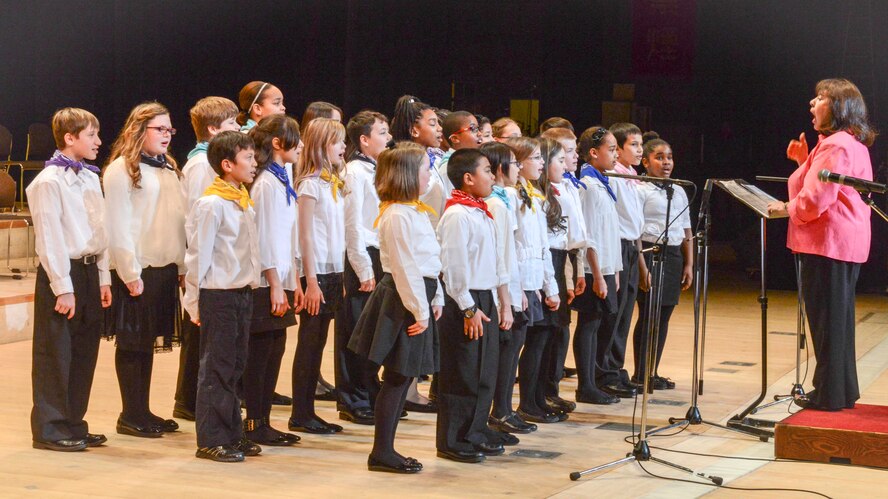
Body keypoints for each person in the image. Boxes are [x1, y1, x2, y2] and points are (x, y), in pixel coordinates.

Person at [767, 78, 875, 411]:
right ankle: (840, 390)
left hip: (827, 242)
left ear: (839, 107)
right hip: (840, 242)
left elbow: (815, 199)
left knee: (827, 322)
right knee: (836, 321)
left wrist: (786, 208)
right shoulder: (845, 142)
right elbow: (823, 186)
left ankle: (828, 393)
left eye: (821, 98)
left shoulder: (835, 145)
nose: (812, 104)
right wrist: (805, 162)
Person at [348, 142, 442, 473]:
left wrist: (436, 297)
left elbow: (429, 260)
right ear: (407, 175)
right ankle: (382, 451)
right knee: (398, 376)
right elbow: (404, 267)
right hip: (404, 299)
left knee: (405, 374)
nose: (429, 175)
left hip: (418, 295)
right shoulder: (397, 215)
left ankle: (387, 449)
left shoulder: (413, 210)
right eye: (425, 170)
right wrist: (420, 309)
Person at [29, 108, 113, 452]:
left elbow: (100, 231)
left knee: (83, 351)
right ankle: (50, 428)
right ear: (69, 137)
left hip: (89, 270)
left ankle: (74, 421)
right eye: (91, 135)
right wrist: (63, 287)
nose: (98, 141)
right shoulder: (48, 182)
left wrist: (104, 277)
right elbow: (49, 239)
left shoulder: (90, 177)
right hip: (63, 273)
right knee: (56, 352)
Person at [104, 102, 185, 438]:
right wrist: (129, 272)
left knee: (147, 342)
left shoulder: (167, 167)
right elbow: (118, 225)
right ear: (139, 130)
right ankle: (130, 414)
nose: (167, 135)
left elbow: (177, 220)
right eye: (160, 129)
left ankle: (143, 409)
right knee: (132, 342)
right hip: (137, 269)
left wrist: (182, 264)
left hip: (164, 267)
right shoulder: (121, 170)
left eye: (170, 129)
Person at [184, 131, 261, 462]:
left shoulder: (241, 199)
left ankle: (232, 433)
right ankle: (211, 438)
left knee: (235, 366)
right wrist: (192, 301)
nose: (255, 163)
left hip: (241, 292)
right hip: (218, 295)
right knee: (216, 368)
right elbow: (197, 255)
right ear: (227, 165)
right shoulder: (211, 204)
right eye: (248, 158)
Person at [436, 149, 512, 463]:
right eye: (487, 171)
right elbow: (453, 267)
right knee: (462, 372)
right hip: (463, 300)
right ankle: (453, 439)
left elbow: (494, 259)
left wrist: (501, 302)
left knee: (484, 371)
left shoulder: (481, 211)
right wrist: (468, 308)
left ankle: (475, 430)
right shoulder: (457, 214)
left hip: (484, 297)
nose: (493, 176)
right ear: (468, 178)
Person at [175, 96, 241, 422]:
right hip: (206, 263)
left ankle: (192, 399)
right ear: (214, 129)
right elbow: (199, 217)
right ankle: (188, 400)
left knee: (202, 337)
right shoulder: (203, 164)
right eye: (232, 123)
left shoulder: (207, 160)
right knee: (198, 336)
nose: (239, 128)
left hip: (215, 264)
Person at [242, 114, 304, 446]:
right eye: (296, 137)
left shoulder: (282, 178)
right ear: (278, 143)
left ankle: (263, 420)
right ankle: (254, 421)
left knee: (275, 349)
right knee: (261, 352)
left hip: (282, 277)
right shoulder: (265, 182)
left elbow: (286, 236)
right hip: (267, 282)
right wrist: (276, 285)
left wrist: (294, 279)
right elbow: (263, 238)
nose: (301, 145)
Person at [289, 118, 348, 434]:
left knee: (319, 342)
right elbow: (305, 236)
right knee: (309, 343)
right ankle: (301, 412)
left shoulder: (331, 182)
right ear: (321, 146)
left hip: (333, 270)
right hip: (317, 273)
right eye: (337, 141)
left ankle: (308, 410)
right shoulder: (310, 185)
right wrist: (310, 281)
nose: (343, 147)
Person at [340, 110, 392, 425]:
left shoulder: (377, 169)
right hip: (363, 256)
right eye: (382, 133)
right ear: (364, 140)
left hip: (379, 254)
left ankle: (371, 391)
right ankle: (352, 398)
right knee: (355, 331)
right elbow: (353, 225)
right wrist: (362, 267)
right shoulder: (354, 172)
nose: (388, 138)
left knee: (373, 331)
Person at [482, 141, 536, 436]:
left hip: (514, 284)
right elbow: (502, 254)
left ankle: (505, 408)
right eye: (514, 163)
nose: (518, 168)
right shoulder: (495, 203)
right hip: (501, 288)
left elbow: (514, 251)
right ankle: (499, 411)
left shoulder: (505, 199)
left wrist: (522, 290)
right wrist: (509, 297)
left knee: (514, 348)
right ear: (499, 168)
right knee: (505, 352)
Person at [632, 133, 693, 391]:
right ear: (646, 162)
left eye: (669, 157)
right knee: (649, 314)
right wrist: (642, 267)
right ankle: (641, 373)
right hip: (649, 252)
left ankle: (653, 371)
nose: (666, 162)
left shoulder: (678, 190)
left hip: (673, 255)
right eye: (659, 157)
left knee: (664, 315)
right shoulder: (639, 189)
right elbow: (635, 231)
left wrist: (689, 264)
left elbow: (686, 229)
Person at [508, 137, 562, 424]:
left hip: (534, 282)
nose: (542, 163)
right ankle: (516, 406)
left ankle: (533, 401)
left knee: (537, 342)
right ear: (517, 163)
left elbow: (542, 247)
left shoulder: (534, 195)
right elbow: (511, 248)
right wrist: (518, 287)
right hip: (520, 284)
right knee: (515, 349)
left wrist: (549, 286)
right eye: (536, 158)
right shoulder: (510, 197)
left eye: (542, 157)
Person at [572, 126, 622, 405]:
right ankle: (586, 385)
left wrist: (614, 270)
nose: (616, 155)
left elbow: (609, 233)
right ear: (593, 152)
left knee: (599, 324)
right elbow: (589, 235)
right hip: (594, 269)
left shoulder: (602, 183)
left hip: (606, 268)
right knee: (589, 325)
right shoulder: (588, 186)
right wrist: (599, 275)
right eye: (611, 149)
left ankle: (593, 381)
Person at [539, 127, 586, 412]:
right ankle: (541, 393)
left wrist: (576, 272)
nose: (574, 156)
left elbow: (575, 235)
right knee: (548, 332)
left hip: (565, 259)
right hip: (551, 261)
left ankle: (550, 388)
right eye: (566, 152)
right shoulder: (545, 192)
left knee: (560, 329)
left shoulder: (568, 185)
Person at [596, 122, 645, 399]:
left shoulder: (632, 175)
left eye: (640, 144)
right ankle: (604, 372)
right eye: (633, 145)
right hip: (617, 246)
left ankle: (615, 368)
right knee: (612, 314)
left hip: (630, 247)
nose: (639, 150)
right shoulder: (613, 176)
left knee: (625, 313)